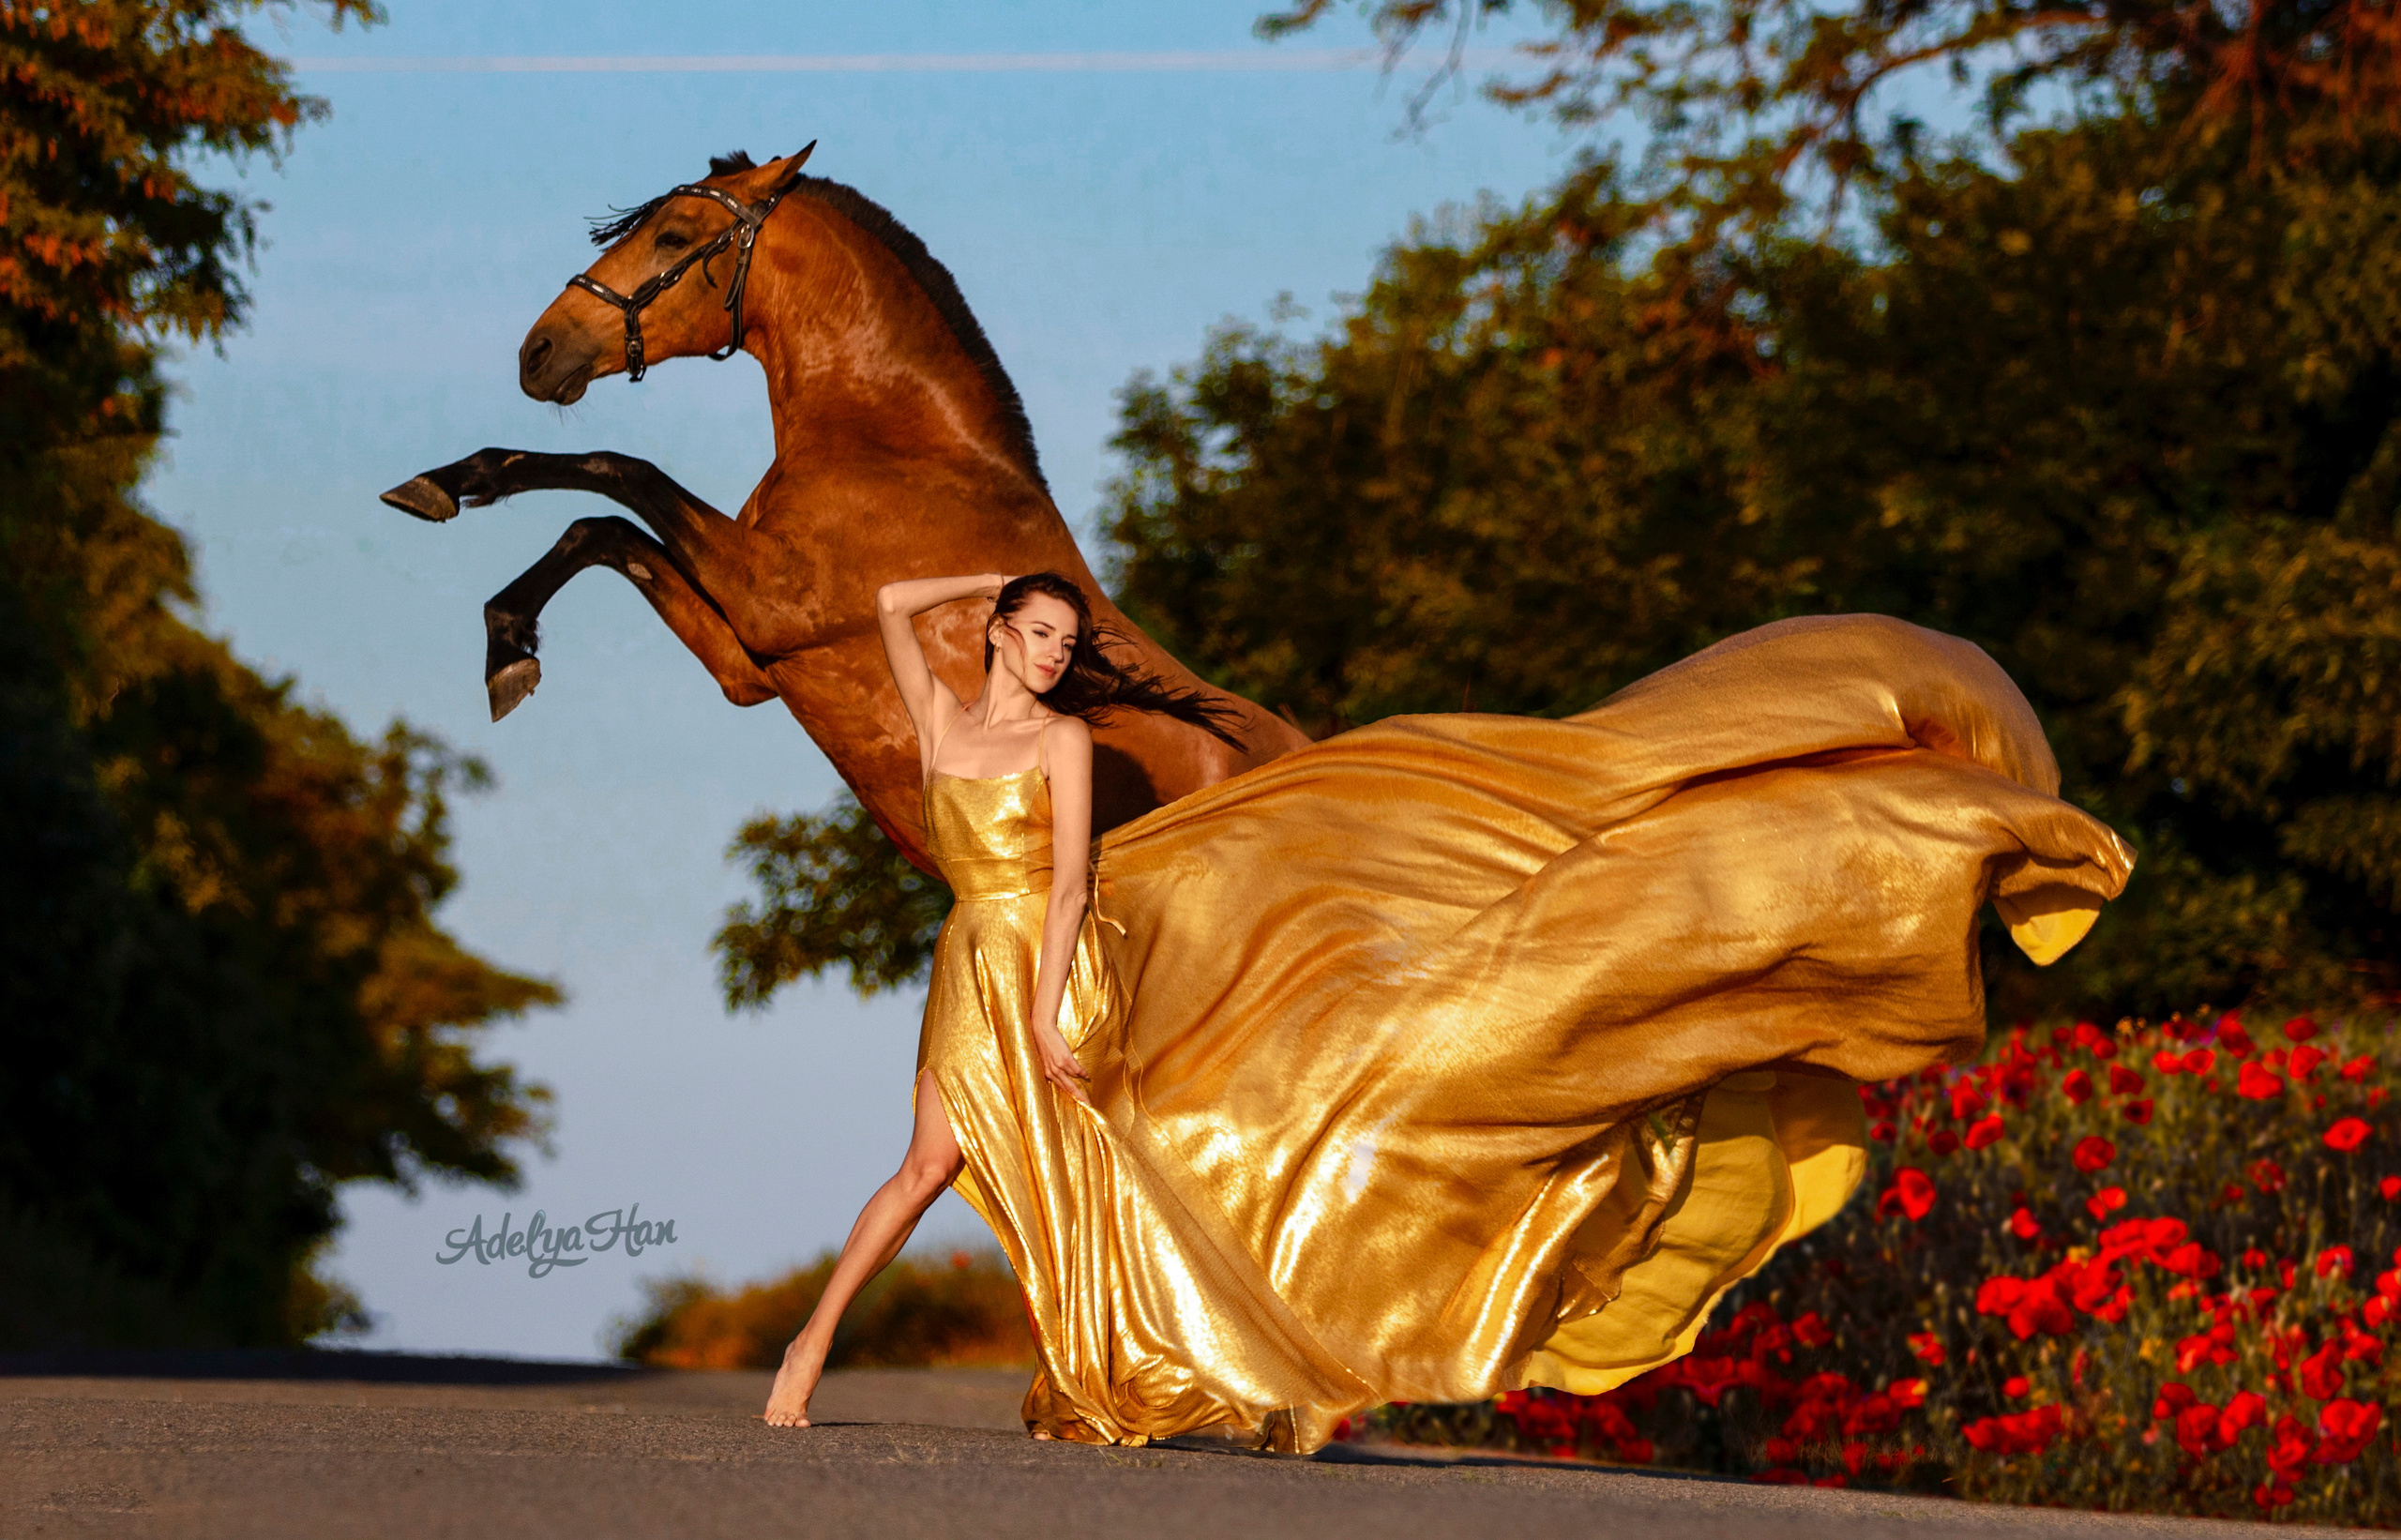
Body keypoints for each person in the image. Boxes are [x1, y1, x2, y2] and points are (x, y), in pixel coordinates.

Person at [765, 574, 2135, 1450]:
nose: (1057, 656)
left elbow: (1069, 883)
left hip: (1050, 963)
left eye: (1069, 641)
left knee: (1138, 1155)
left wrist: (1054, 1015)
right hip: (969, 952)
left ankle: (1250, 1358)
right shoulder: (943, 719)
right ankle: (812, 1345)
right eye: (1038, 634)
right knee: (930, 1163)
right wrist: (980, 589)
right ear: (999, 633)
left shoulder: (1065, 741)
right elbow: (888, 603)